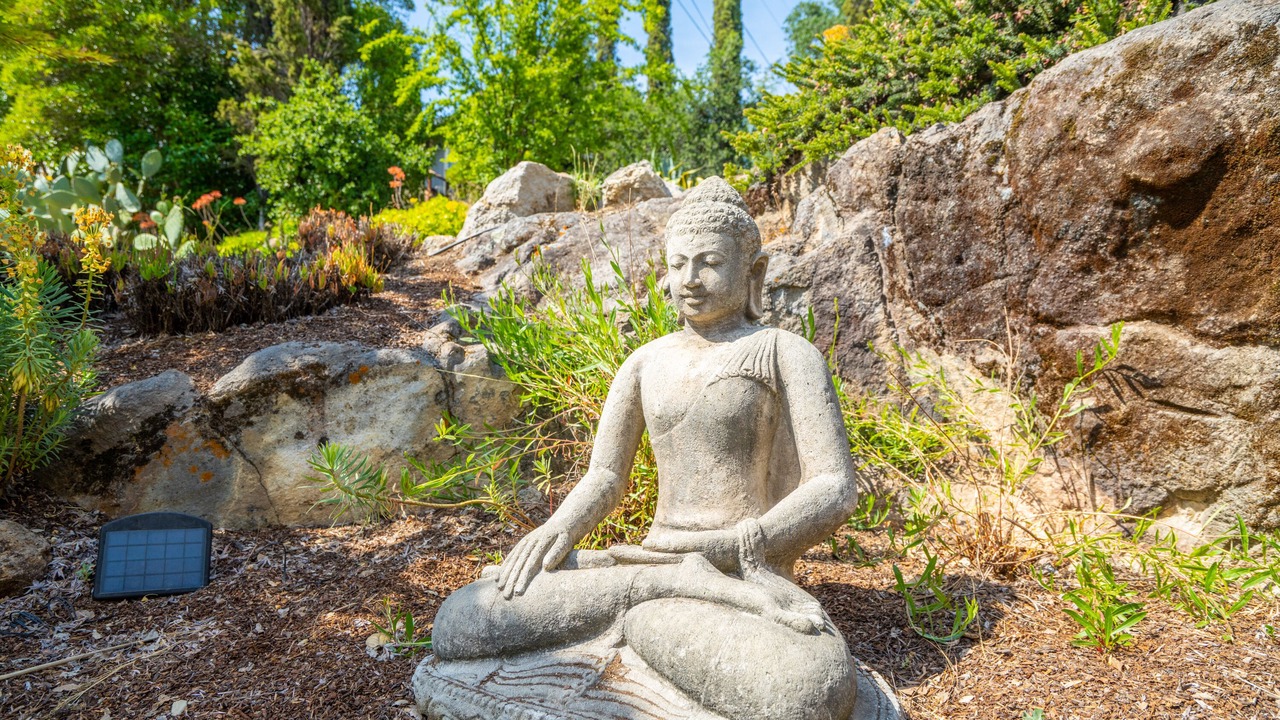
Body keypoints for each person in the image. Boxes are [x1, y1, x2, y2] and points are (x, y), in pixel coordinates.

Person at [429, 177, 862, 720]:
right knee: (462, 618)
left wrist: (738, 545)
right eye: (678, 264)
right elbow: (606, 477)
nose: (691, 280)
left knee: (808, 687)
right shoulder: (644, 361)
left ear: (754, 273)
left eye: (710, 263)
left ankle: (651, 604)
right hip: (650, 562)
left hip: (739, 570)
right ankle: (660, 587)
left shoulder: (783, 352)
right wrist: (556, 530)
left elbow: (834, 486)